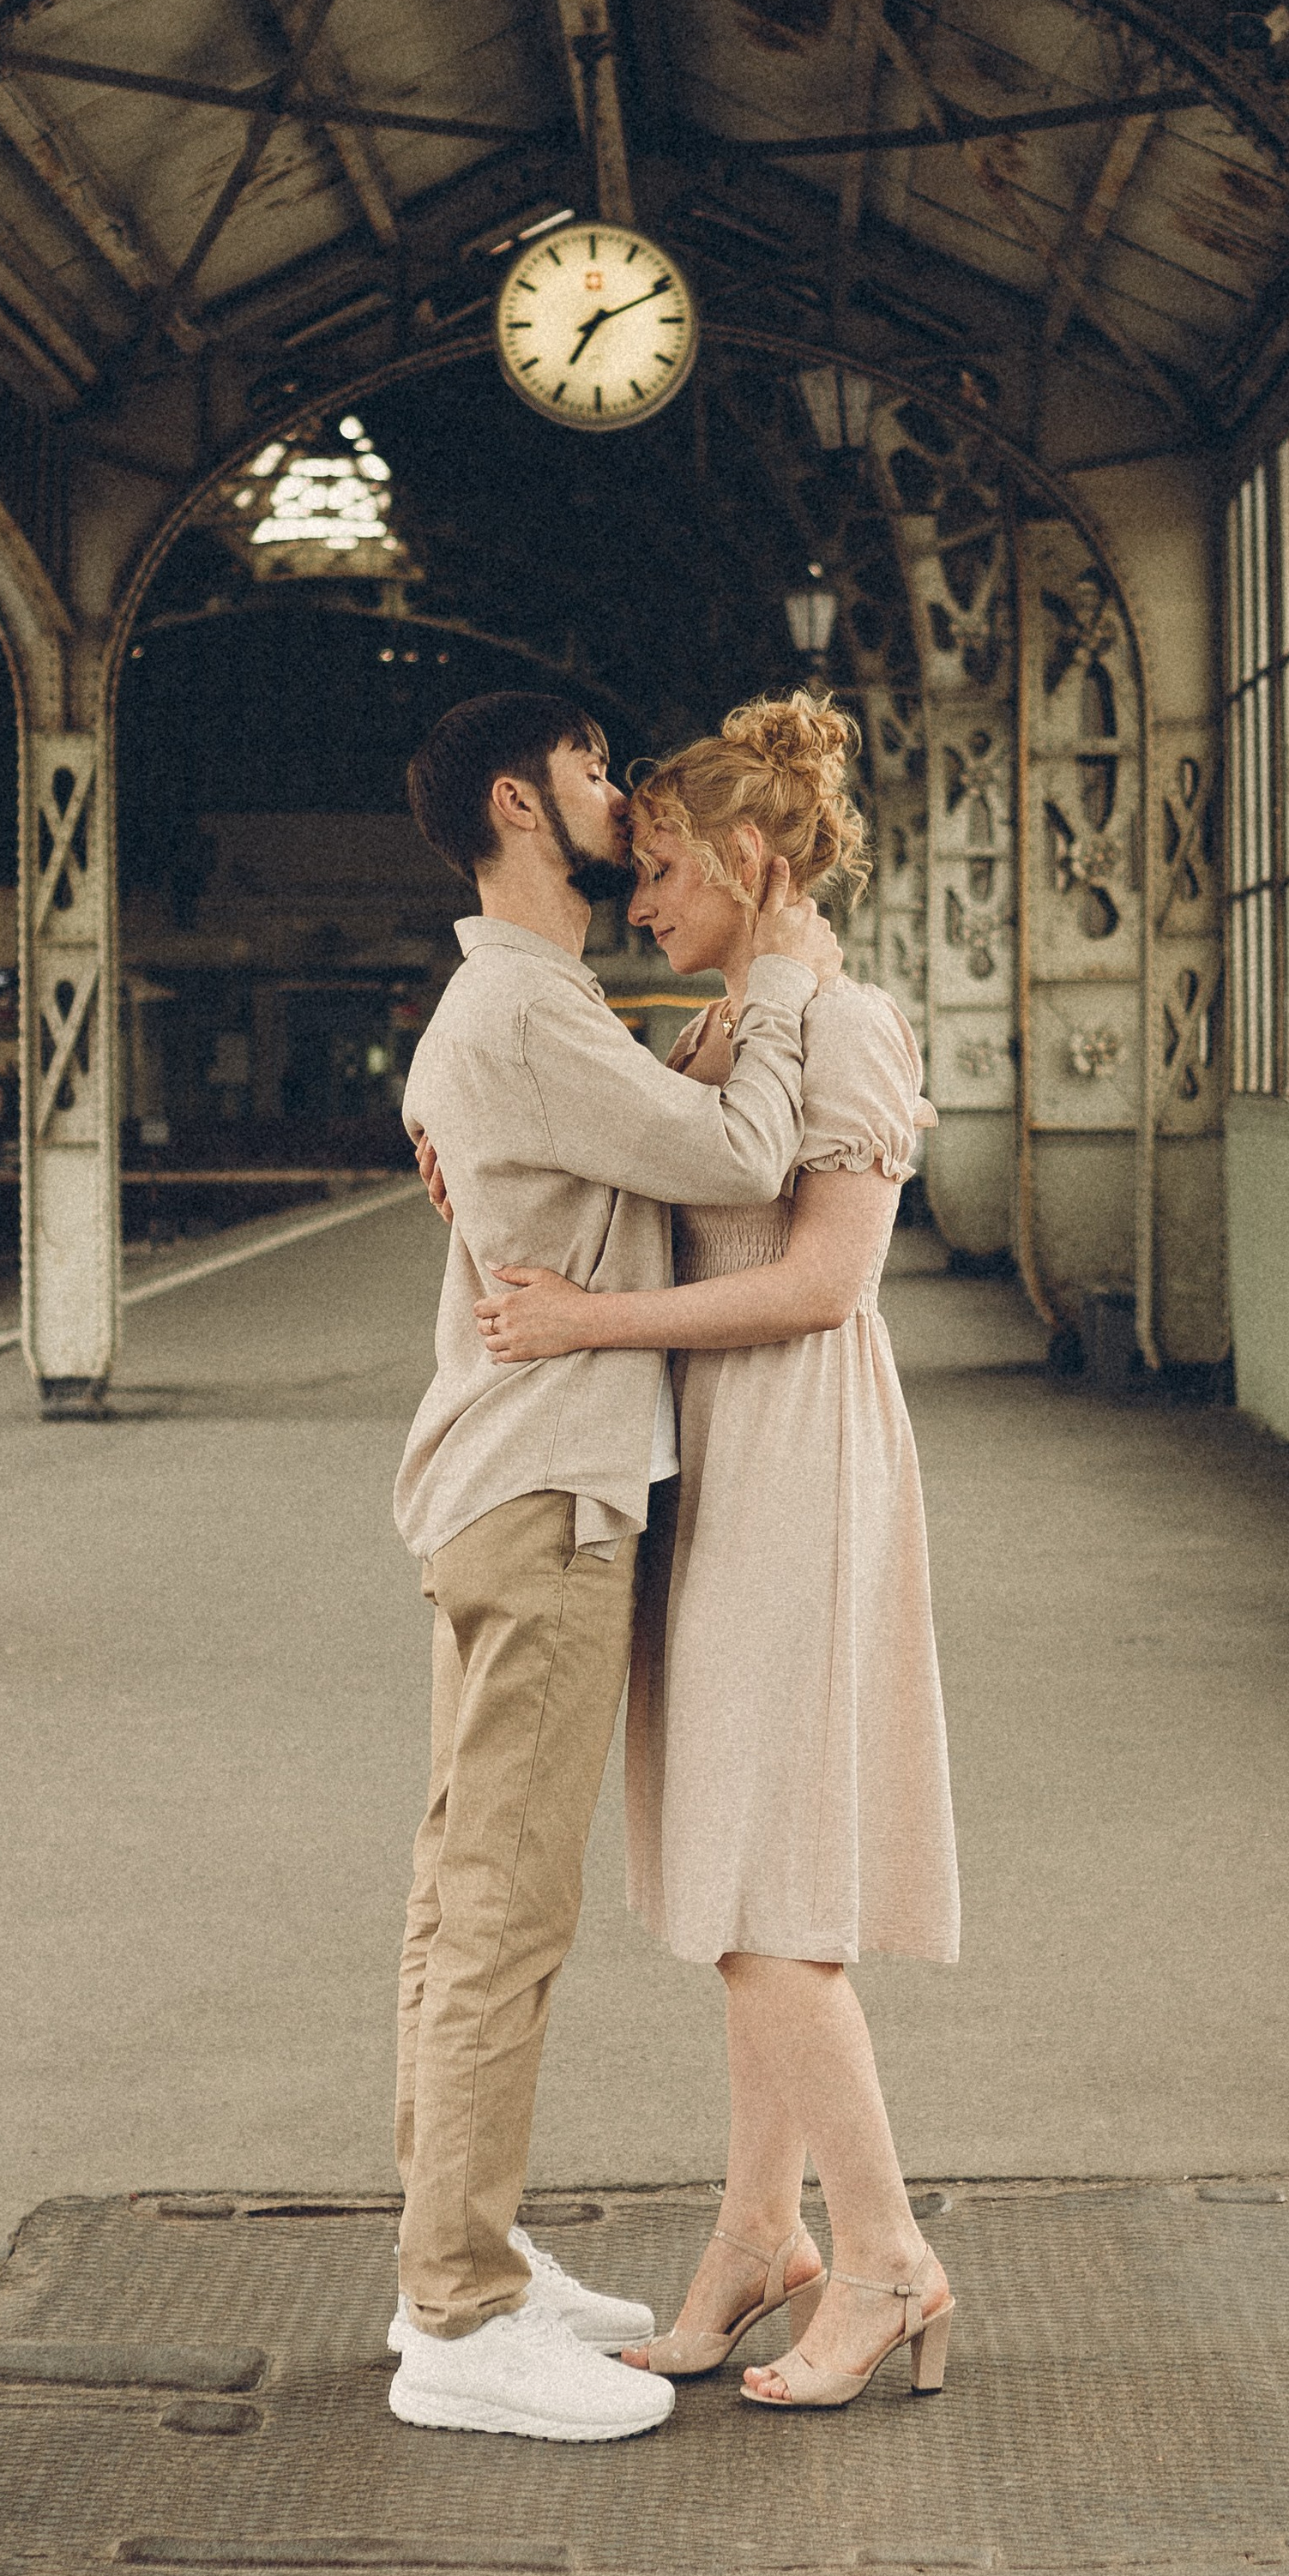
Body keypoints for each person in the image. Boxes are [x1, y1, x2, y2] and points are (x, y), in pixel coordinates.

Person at [473, 692, 960, 2411]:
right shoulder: (731, 1021)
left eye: (666, 868)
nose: (641, 896)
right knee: (736, 1876)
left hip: (798, 1452)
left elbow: (828, 1281)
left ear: (751, 861)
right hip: (721, 1464)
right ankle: (760, 2231)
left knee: (765, 1898)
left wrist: (593, 1324)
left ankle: (889, 2256)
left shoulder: (843, 1025)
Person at [388, 688, 841, 2446]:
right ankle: (458, 2316)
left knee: (461, 1901)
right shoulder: (515, 1005)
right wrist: (788, 987)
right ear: (519, 799)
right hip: (548, 1494)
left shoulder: (518, 1007)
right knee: (503, 1912)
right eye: (590, 774)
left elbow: (649, 1134)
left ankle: (464, 2255)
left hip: (507, 1487)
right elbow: (729, 1158)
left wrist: (726, 1028)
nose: (615, 801)